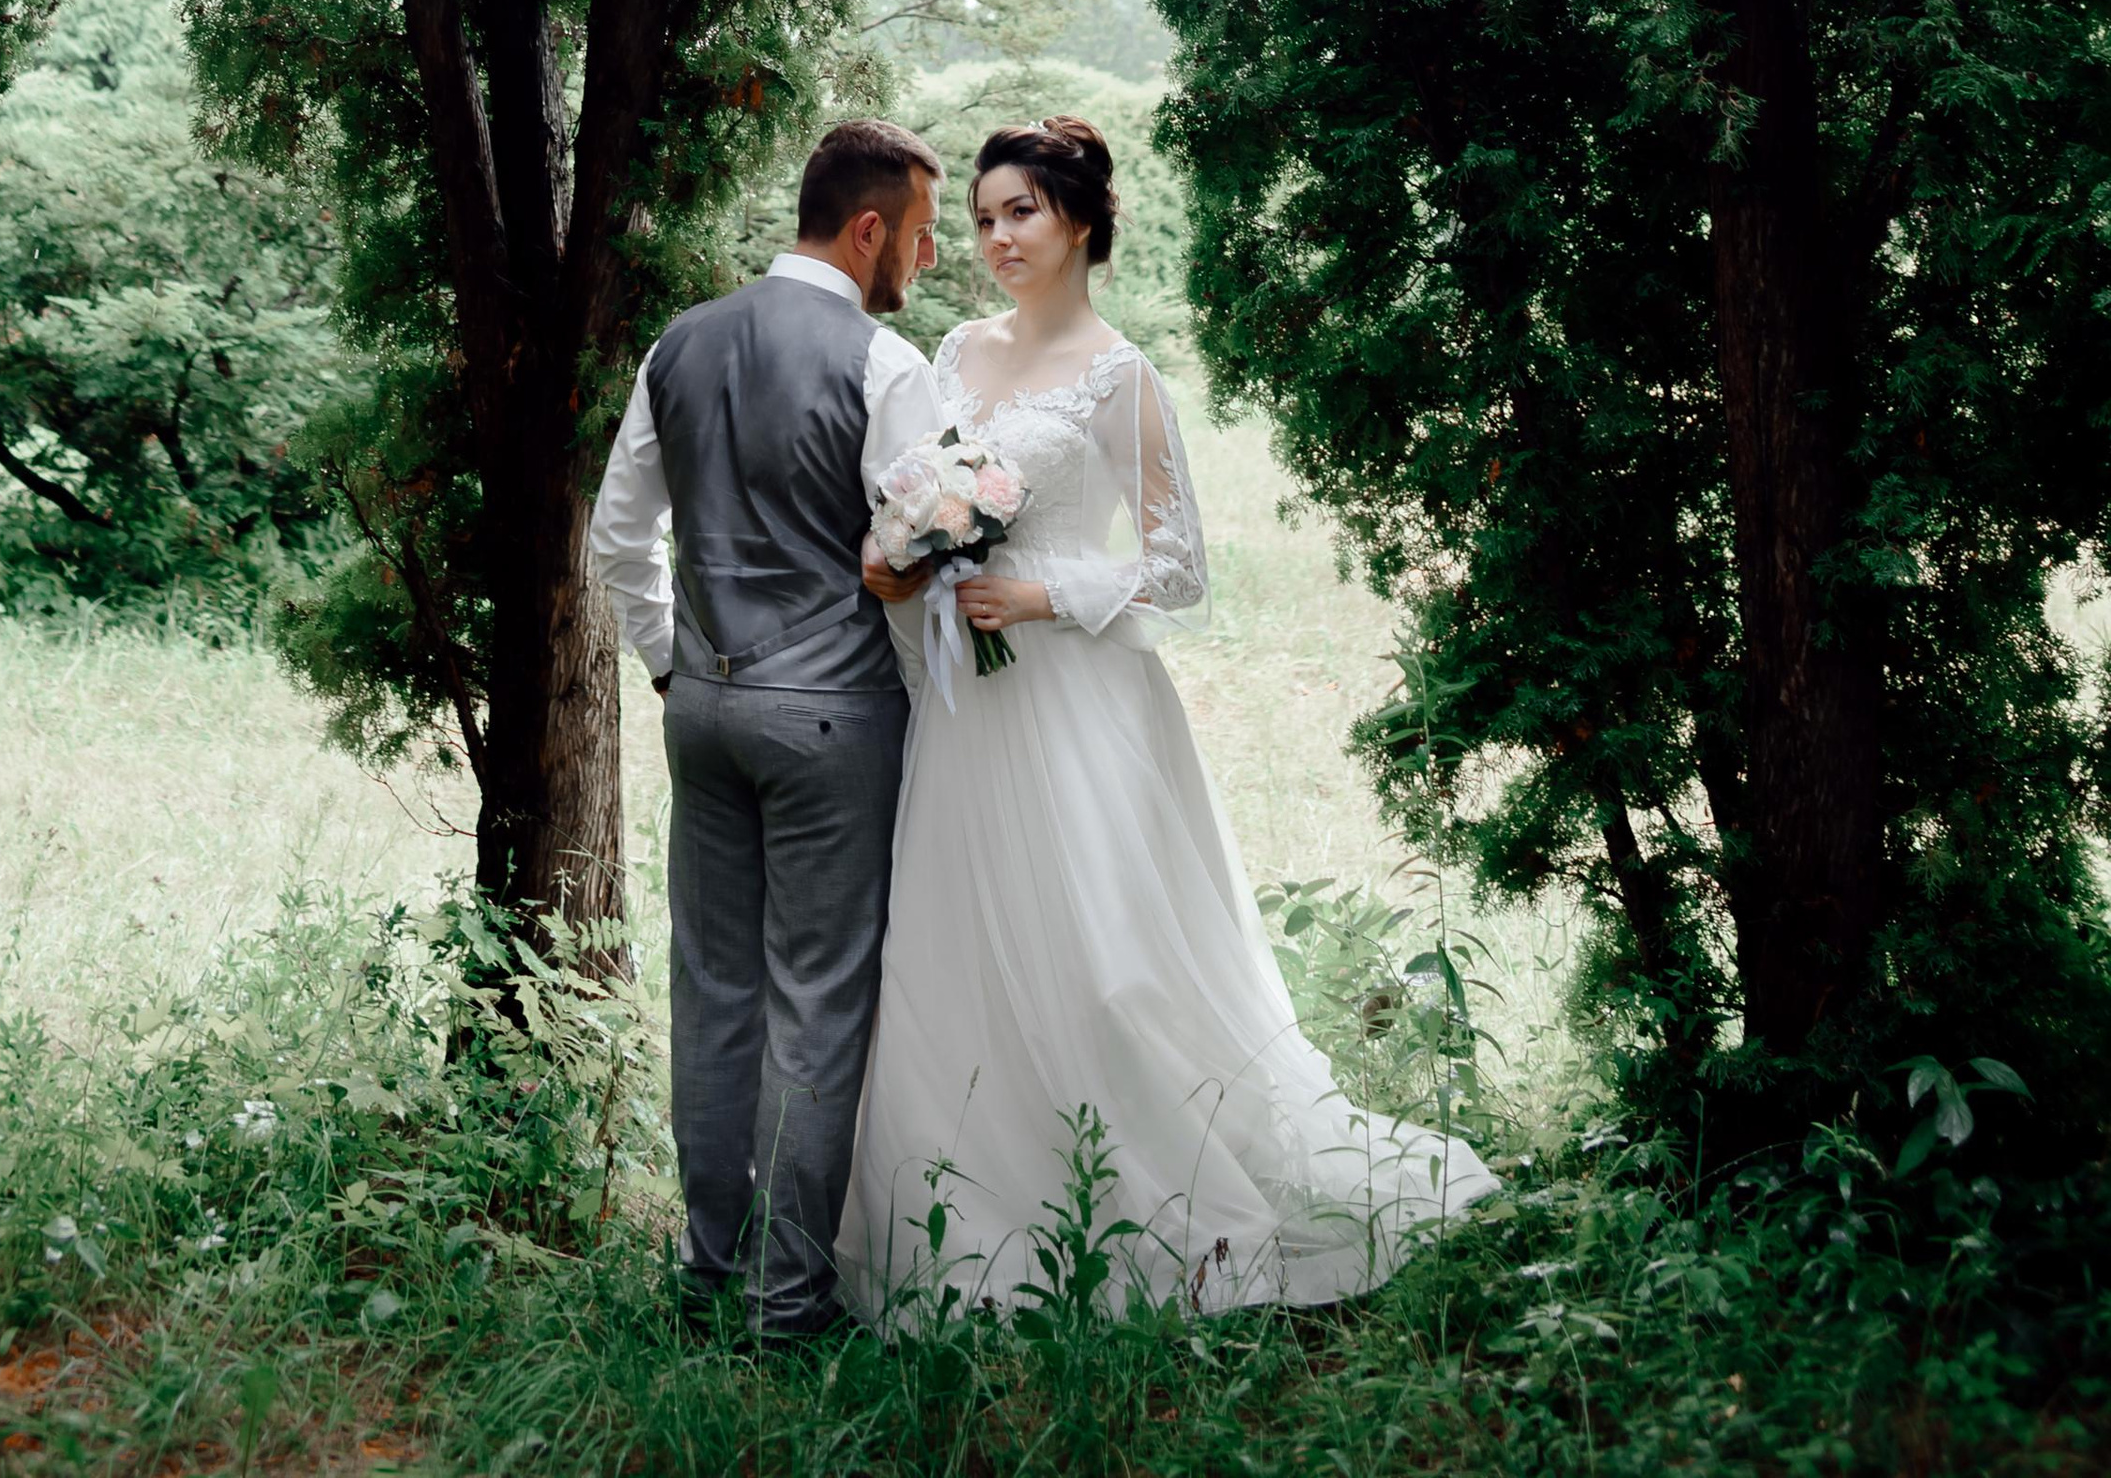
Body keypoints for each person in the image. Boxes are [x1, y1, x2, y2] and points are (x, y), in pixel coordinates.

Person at [835, 115, 1497, 1324]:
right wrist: (912, 553)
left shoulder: (1119, 373)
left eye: (1020, 213)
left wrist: (1039, 594)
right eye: (980, 220)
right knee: (958, 941)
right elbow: (915, 497)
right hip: (968, 703)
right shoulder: (953, 354)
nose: (995, 239)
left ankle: (1147, 1198)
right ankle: (964, 1224)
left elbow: (1178, 568)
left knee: (1103, 960)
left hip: (1077, 699)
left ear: (1081, 221)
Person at [588, 114, 943, 1347]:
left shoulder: (678, 344)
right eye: (919, 233)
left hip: (704, 710)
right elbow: (905, 569)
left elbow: (617, 539)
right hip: (834, 717)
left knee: (714, 992)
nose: (927, 258)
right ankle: (787, 1308)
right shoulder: (884, 365)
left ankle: (707, 1273)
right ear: (866, 230)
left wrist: (672, 667)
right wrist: (928, 712)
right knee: (817, 1003)